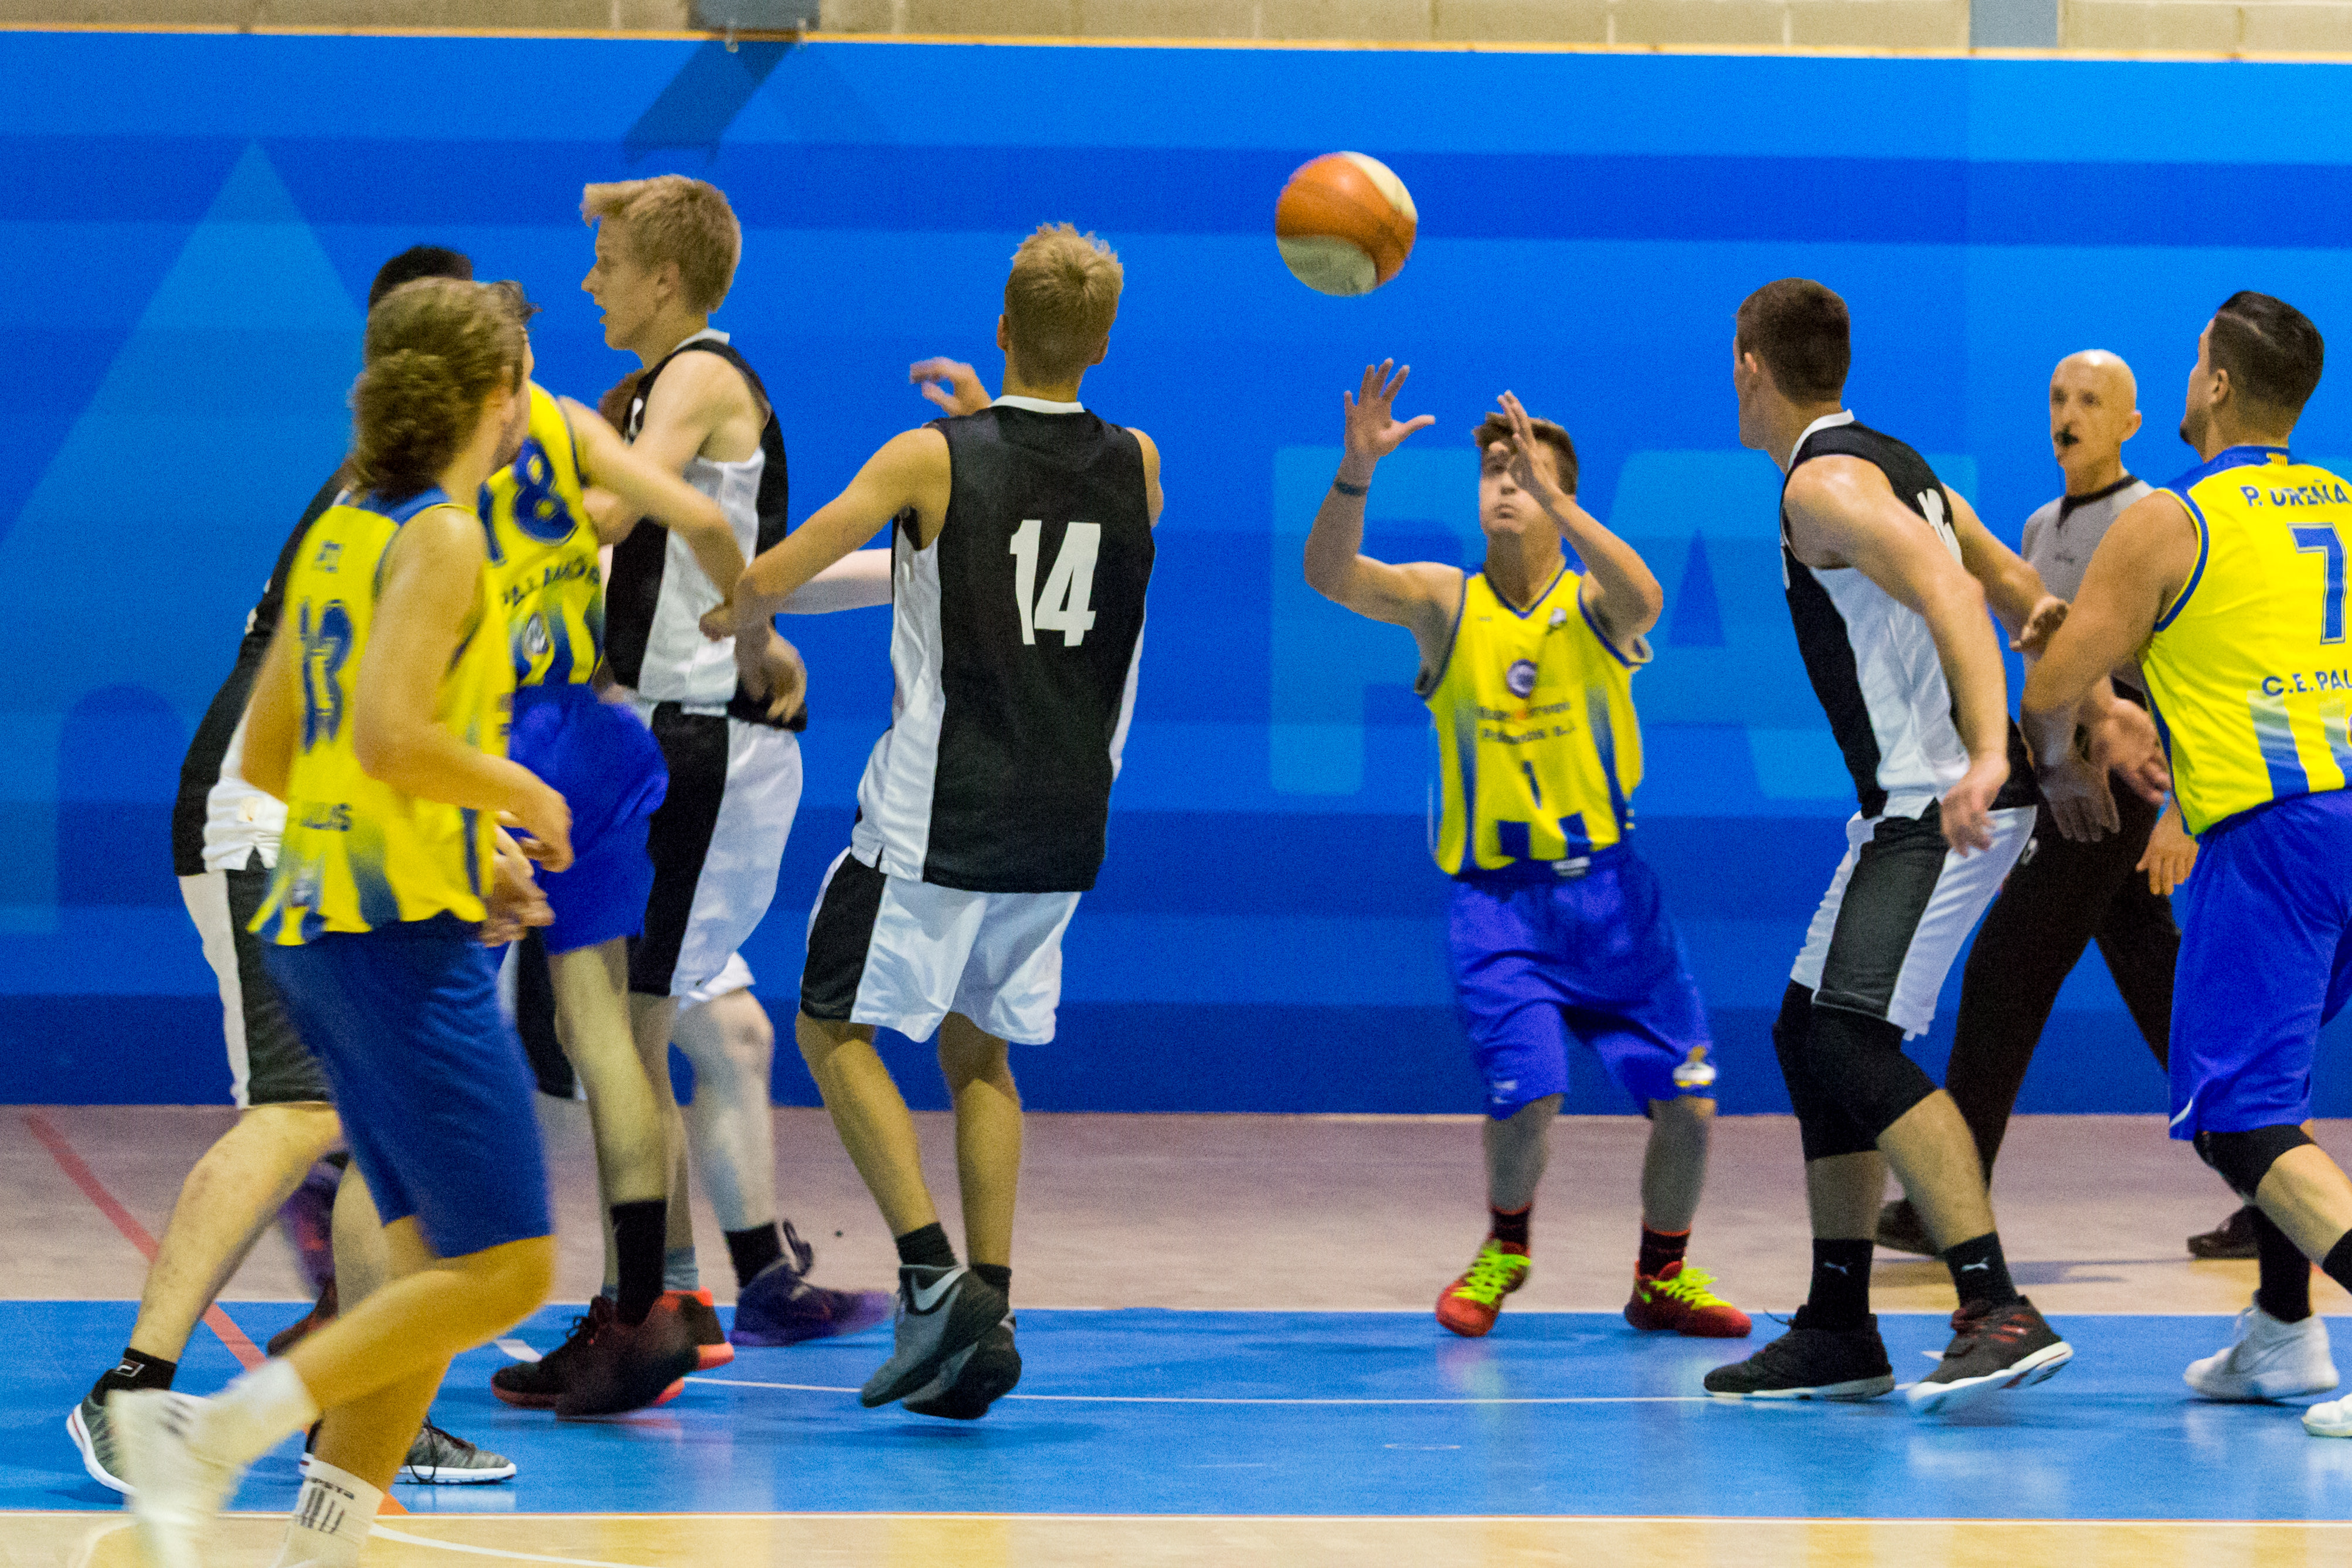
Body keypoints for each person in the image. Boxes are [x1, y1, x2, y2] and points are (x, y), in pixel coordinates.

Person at [114, 276, 569, 1568]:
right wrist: (517, 795)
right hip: (395, 947)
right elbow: (385, 736)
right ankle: (211, 1432)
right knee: (511, 1270)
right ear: (501, 396)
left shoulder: (339, 529)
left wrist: (464, 848)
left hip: (319, 928)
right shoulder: (444, 537)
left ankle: (322, 1546)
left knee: (423, 1267)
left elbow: (271, 751)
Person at [707, 223, 1161, 1420]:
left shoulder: (927, 459)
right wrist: (979, 435)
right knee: (980, 1054)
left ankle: (926, 1278)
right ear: (1103, 343)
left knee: (830, 1028)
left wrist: (731, 620)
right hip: (1067, 820)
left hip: (938, 813)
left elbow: (781, 565)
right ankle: (989, 1315)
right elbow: (1038, 498)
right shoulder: (1140, 464)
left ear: (1000, 326)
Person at [493, 179, 888, 1416]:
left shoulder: (699, 377)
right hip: (656, 733)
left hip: (704, 746)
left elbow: (618, 509)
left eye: (608, 261)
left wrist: (489, 482)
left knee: (628, 1029)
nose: (588, 282)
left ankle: (658, 1309)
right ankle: (686, 1295)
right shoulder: (644, 395)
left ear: (664, 280)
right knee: (637, 1031)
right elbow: (707, 558)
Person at [1703, 279, 2127, 1416]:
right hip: (1914, 802)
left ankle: (1994, 1306)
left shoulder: (1823, 485)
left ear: (1750, 365)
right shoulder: (1900, 465)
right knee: (1807, 1032)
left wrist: (1989, 752)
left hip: (1942, 802)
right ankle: (1838, 1324)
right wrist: (2096, 704)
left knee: (1850, 1037)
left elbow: (1950, 591)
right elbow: (2015, 586)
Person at [1301, 366, 1749, 1341]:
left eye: (1526, 473)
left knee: (1690, 1104)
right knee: (1529, 1091)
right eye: (1494, 472)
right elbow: (1330, 575)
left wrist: (1562, 503)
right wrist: (1355, 471)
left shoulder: (1595, 606)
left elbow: (1647, 596)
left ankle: (1662, 1277)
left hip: (1618, 905)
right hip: (1499, 910)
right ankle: (1505, 1249)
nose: (1505, 484)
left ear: (1563, 497)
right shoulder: (1445, 604)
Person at [2021, 291, 2352, 1430]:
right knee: (2274, 1089)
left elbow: (2053, 685)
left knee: (2237, 1117)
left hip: (2275, 834)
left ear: (2214, 384)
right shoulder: (2342, 501)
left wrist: (2054, 665)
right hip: (2339, 816)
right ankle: (2282, 1329)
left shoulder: (2172, 518)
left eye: (2194, 357)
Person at [472, 265, 787, 1410]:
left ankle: (377, 1305)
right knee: (605, 1036)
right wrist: (753, 640)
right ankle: (646, 1306)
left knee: (428, 1028)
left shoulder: (435, 460)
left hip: (501, 753)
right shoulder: (569, 421)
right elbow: (700, 517)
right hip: (597, 738)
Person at [1876, 351, 2242, 1261]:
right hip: (2062, 783)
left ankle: (1946, 1201)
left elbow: (2190, 679)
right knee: (2161, 988)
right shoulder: (2041, 527)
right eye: (2058, 398)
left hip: (2119, 785)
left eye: (2091, 401)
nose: (2068, 414)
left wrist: (2178, 813)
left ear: (2130, 424)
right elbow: (2044, 669)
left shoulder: (2150, 518)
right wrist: (2036, 790)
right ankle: (2268, 1177)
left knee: (2007, 972)